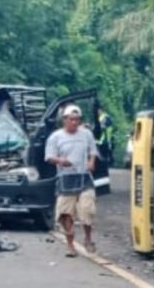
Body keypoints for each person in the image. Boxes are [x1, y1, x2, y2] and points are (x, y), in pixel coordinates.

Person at [45, 104, 100, 257]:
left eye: (77, 120)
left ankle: (88, 239)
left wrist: (91, 161)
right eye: (71, 120)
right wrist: (60, 160)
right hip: (66, 178)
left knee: (87, 209)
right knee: (65, 213)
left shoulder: (86, 134)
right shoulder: (56, 137)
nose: (74, 123)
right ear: (65, 120)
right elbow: (49, 157)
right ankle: (70, 245)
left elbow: (93, 150)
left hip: (84, 177)